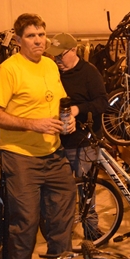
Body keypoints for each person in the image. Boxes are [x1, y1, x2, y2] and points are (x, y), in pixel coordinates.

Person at [0, 13, 77, 259]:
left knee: (62, 218)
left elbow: (62, 101)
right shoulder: (8, 70)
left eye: (41, 35)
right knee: (25, 221)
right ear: (18, 40)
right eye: (31, 36)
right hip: (21, 157)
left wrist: (70, 117)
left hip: (54, 154)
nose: (38, 41)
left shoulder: (50, 65)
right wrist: (32, 124)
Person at [45, 33, 108, 239]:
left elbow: (102, 103)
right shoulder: (52, 73)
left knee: (86, 190)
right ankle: (63, 231)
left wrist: (77, 110)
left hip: (84, 144)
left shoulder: (89, 73)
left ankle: (90, 230)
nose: (57, 60)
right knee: (61, 192)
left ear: (73, 50)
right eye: (54, 56)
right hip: (57, 143)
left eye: (61, 55)